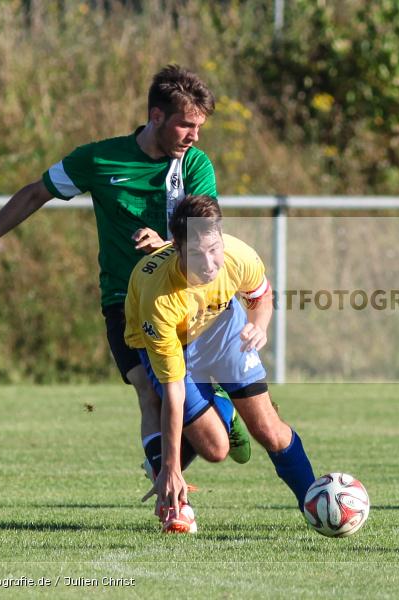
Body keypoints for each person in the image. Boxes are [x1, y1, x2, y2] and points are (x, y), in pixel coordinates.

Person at [0, 65, 248, 464]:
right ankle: (172, 500)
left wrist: (168, 245)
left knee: (201, 427)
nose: (194, 136)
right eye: (185, 126)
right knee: (147, 388)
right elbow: (36, 193)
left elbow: (206, 230)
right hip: (123, 297)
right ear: (156, 116)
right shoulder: (100, 159)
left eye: (199, 127)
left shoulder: (194, 164)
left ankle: (218, 408)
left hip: (183, 296)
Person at [124, 194, 316, 532]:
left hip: (223, 328)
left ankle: (315, 504)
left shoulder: (238, 256)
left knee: (268, 429)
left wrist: (259, 324)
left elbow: (261, 295)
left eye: (214, 249)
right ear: (176, 248)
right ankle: (223, 409)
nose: (211, 263)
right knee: (215, 448)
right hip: (175, 344)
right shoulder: (160, 297)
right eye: (197, 254)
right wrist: (171, 467)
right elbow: (173, 392)